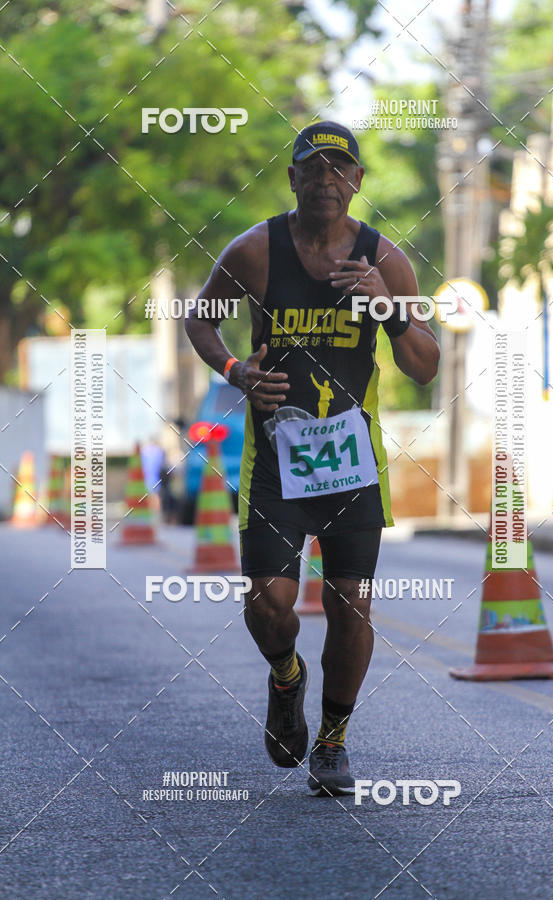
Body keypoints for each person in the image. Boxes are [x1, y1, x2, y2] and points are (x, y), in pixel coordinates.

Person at [185, 121, 439, 796]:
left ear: (358, 182)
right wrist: (238, 371)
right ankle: (286, 676)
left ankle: (331, 741)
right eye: (313, 167)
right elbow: (199, 317)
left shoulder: (386, 260)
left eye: (339, 169)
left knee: (351, 606)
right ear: (292, 177)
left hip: (353, 466)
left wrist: (389, 311)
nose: (326, 179)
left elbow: (425, 364)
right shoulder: (256, 252)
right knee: (269, 605)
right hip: (274, 462)